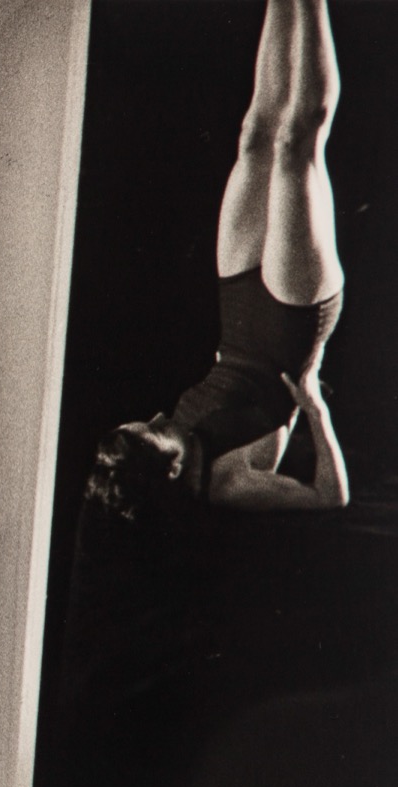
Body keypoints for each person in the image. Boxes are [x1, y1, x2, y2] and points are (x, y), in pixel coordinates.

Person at [87, 0, 350, 519]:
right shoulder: (225, 484)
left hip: (240, 323)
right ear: (171, 470)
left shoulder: (163, 441)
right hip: (289, 331)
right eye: (155, 430)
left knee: (255, 136)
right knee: (296, 141)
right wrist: (313, 407)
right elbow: (330, 497)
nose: (157, 415)